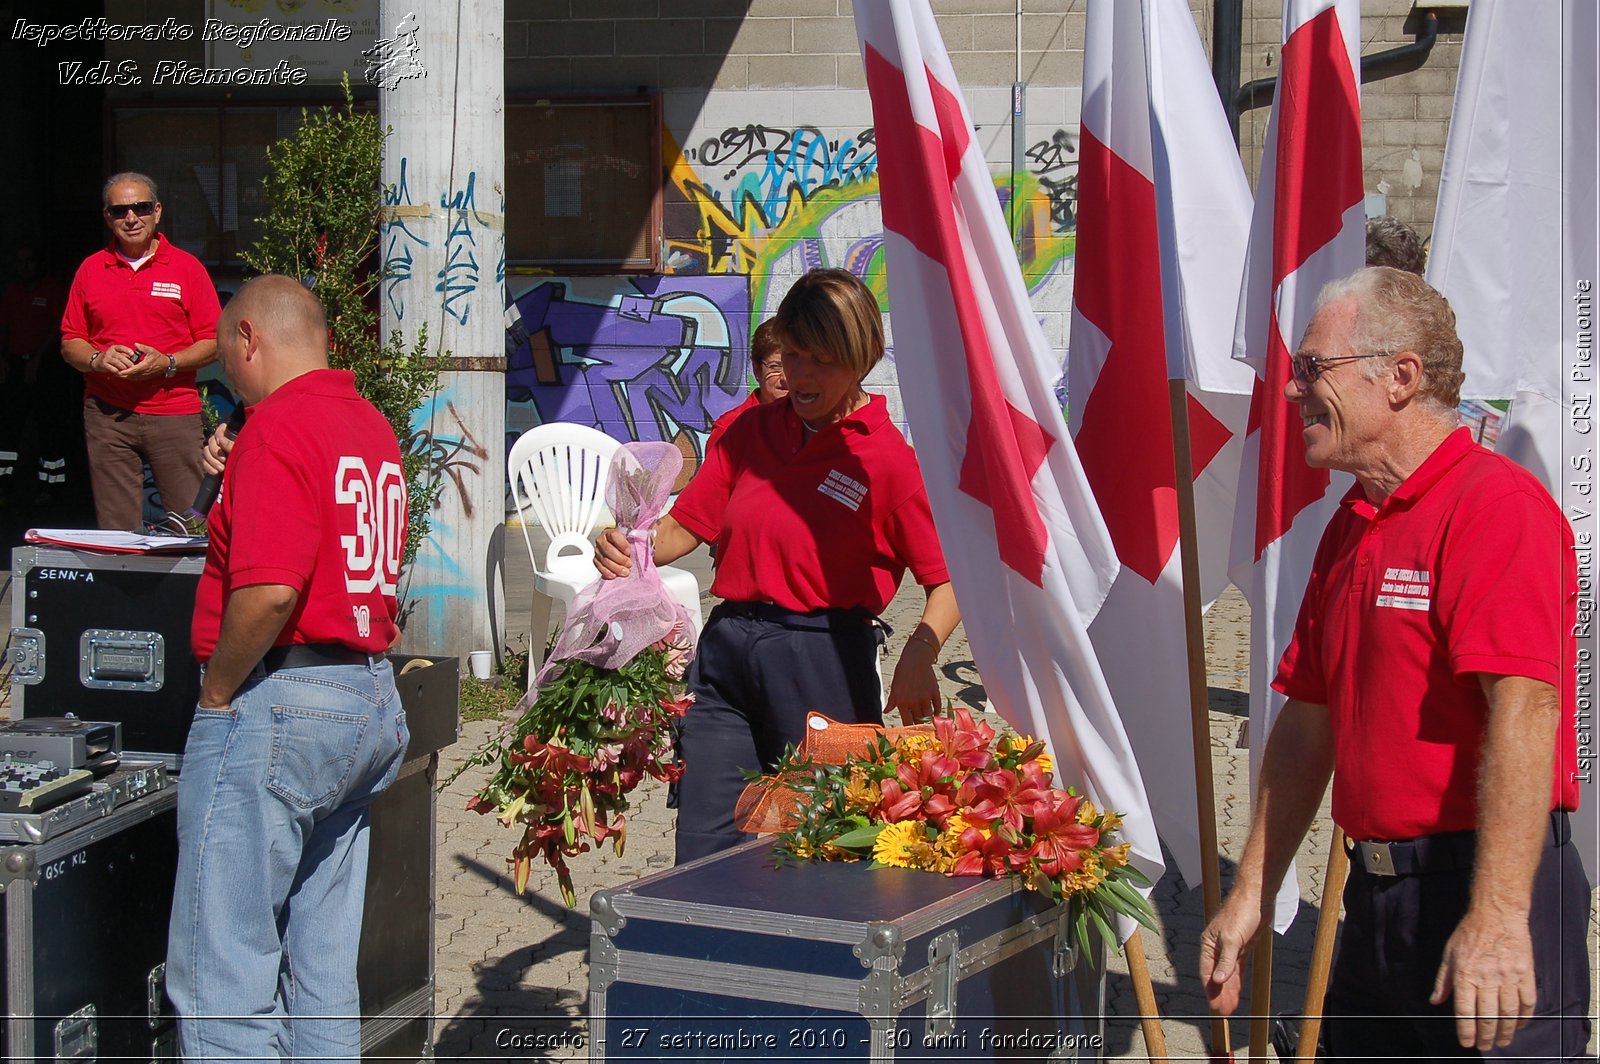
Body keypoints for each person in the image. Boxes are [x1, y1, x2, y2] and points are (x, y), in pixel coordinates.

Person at [1199, 267, 1589, 1060]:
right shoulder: (1353, 524)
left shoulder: (1495, 509)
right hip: (1377, 905)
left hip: (1482, 891)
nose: (1292, 392)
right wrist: (1251, 893)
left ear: (1402, 377)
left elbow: (1528, 710)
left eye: (1313, 368)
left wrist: (1498, 914)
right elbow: (1309, 723)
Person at [595, 267, 960, 863]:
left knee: (826, 847)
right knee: (705, 844)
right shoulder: (748, 433)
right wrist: (629, 548)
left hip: (823, 663)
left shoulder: (889, 461)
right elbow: (687, 526)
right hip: (727, 654)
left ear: (861, 357)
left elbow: (945, 581)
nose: (801, 375)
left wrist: (920, 654)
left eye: (821, 359)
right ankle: (708, 950)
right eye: (791, 355)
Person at [168, 275, 410, 1062]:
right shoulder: (367, 422)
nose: (223, 380)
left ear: (247, 339)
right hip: (365, 690)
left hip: (284, 695)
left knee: (223, 974)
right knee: (322, 968)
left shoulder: (278, 428)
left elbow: (271, 590)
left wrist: (215, 691)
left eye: (224, 359)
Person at [60, 173, 221, 529]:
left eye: (141, 207)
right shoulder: (89, 270)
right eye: (120, 211)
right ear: (107, 217)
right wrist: (97, 360)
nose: (131, 218)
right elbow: (70, 341)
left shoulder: (187, 268)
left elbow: (215, 342)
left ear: (157, 211)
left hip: (174, 413)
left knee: (192, 523)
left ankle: (190, 587)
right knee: (116, 531)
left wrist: (169, 363)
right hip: (108, 414)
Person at [0, 244, 69, 504]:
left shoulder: (53, 290)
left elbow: (58, 328)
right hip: (16, 366)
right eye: (20, 262)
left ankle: (51, 489)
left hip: (47, 367)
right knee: (8, 428)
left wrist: (39, 358)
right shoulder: (13, 293)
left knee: (49, 428)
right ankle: (4, 487)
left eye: (29, 261)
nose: (25, 267)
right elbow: (4, 327)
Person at [704, 317, 789, 455]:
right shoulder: (730, 429)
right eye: (775, 367)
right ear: (757, 370)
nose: (785, 378)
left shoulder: (816, 423)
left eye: (793, 367)